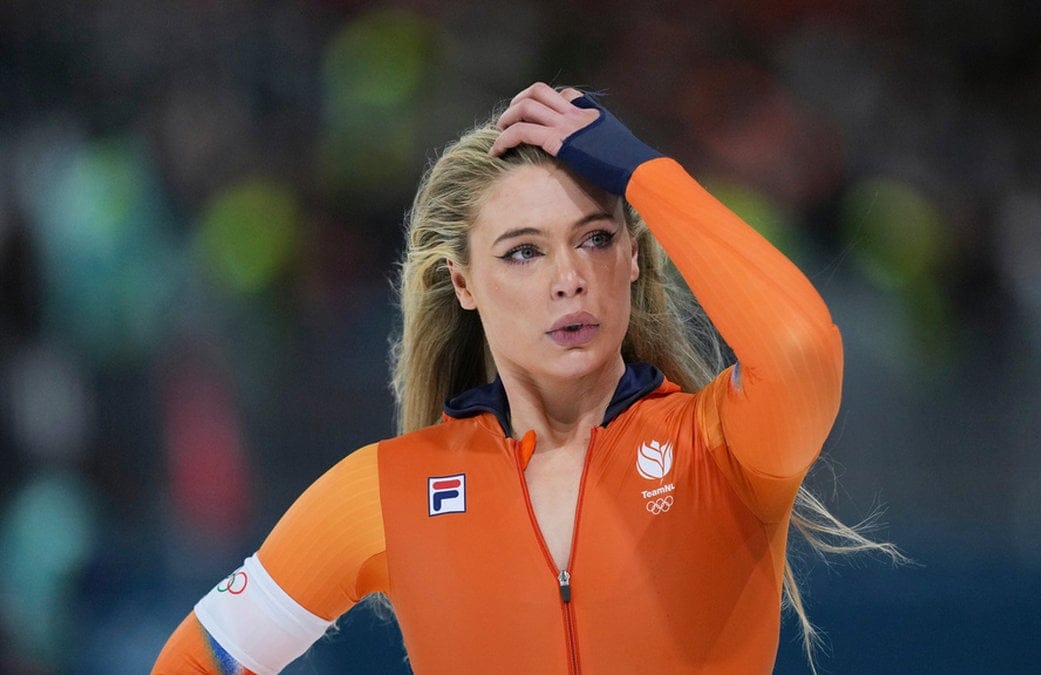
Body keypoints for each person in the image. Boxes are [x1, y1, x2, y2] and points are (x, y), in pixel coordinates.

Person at [154, 82, 897, 674]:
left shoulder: (721, 449)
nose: (569, 278)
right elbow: (197, 660)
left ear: (633, 258)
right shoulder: (388, 491)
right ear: (464, 283)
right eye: (523, 252)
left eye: (595, 239)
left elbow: (800, 350)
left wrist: (644, 175)